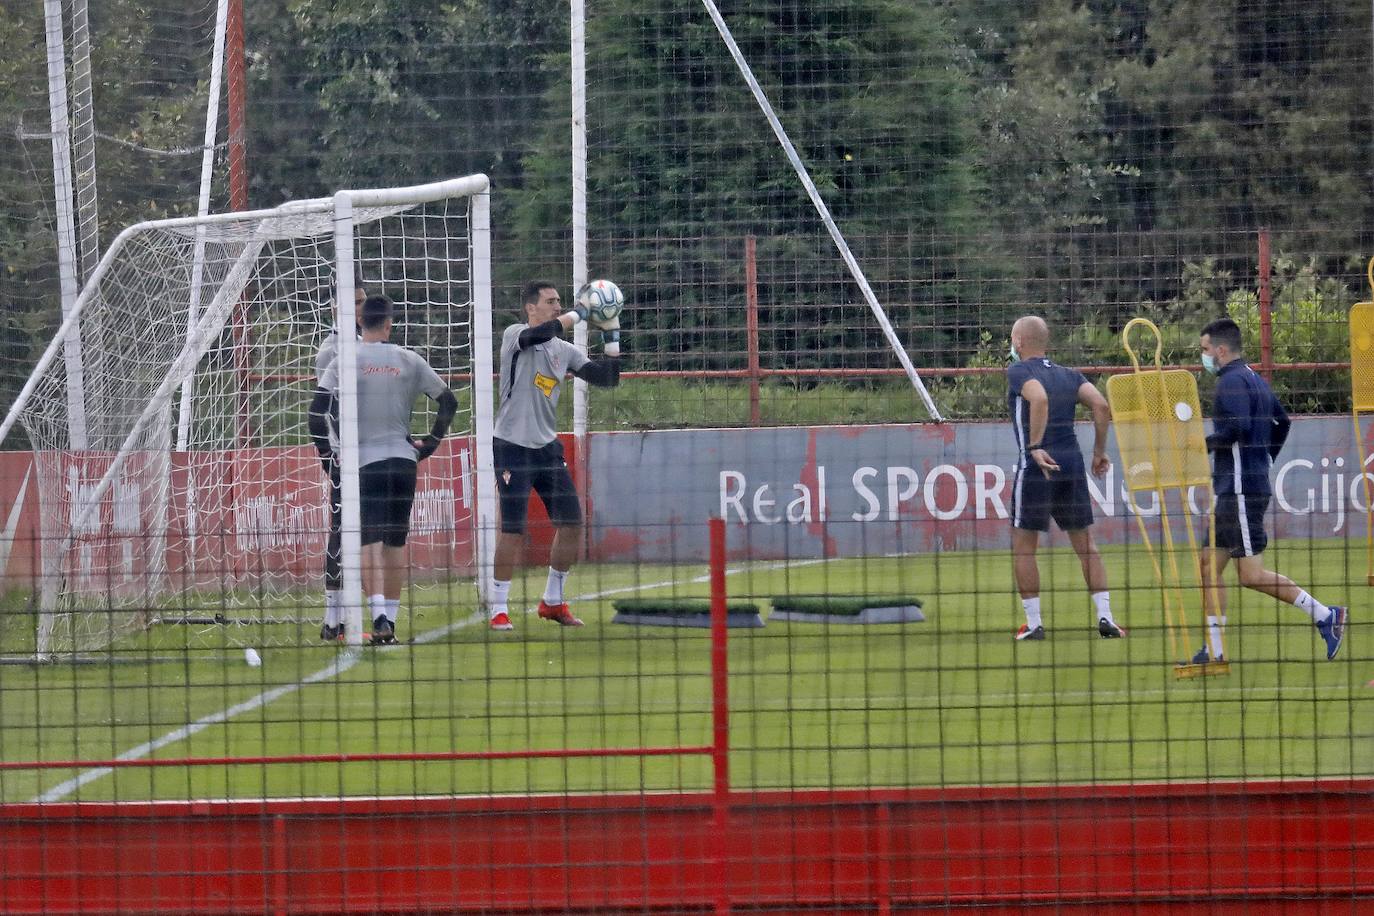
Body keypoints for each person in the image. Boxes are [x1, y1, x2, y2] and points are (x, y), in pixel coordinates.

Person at [1194, 317, 1346, 662]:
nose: (1203, 357)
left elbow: (1237, 428)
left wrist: (1207, 443)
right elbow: (1283, 422)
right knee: (1208, 566)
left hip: (1240, 490)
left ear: (1220, 350)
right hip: (1240, 488)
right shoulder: (1254, 380)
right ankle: (1214, 651)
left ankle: (1326, 615)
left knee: (1250, 575)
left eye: (1204, 350)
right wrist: (1265, 459)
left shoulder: (1231, 382)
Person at [309, 294, 458, 644]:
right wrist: (431, 442)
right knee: (394, 543)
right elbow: (448, 400)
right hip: (403, 462)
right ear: (390, 324)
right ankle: (389, 622)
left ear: (361, 323)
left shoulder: (344, 360)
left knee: (367, 541)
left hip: (364, 463)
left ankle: (375, 615)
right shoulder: (409, 359)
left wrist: (327, 456)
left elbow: (317, 413)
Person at [487, 280, 621, 631]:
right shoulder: (516, 335)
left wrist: (611, 332)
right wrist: (579, 313)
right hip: (511, 445)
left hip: (547, 448)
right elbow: (540, 334)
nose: (556, 306)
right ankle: (498, 608)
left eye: (559, 301)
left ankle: (552, 601)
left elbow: (608, 378)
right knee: (513, 529)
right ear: (530, 308)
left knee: (572, 523)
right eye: (549, 301)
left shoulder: (563, 350)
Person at [1007, 315, 1122, 640]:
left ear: (1019, 342)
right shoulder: (1069, 375)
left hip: (1037, 466)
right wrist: (1100, 451)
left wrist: (1035, 445)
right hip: (1071, 464)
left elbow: (1038, 398)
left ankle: (1034, 625)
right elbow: (1100, 405)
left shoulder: (1019, 371)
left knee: (1024, 547)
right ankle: (1106, 617)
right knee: (1086, 545)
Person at [312, 285, 365, 642]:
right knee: (341, 529)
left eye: (361, 302)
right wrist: (331, 454)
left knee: (363, 533)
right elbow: (323, 408)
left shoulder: (366, 345)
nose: (358, 308)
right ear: (334, 307)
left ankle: (349, 615)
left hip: (370, 452)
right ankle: (334, 618)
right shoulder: (332, 350)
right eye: (351, 302)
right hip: (344, 454)